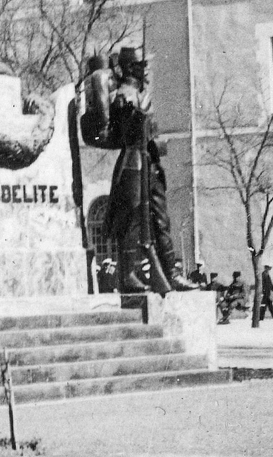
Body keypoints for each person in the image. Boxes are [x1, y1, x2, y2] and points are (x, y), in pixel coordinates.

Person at [79, 48, 195, 292]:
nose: (147, 71)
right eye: (142, 66)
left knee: (161, 221)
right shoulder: (124, 95)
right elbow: (112, 135)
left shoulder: (141, 95)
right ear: (132, 68)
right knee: (131, 218)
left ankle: (171, 274)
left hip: (150, 164)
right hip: (134, 162)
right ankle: (128, 273)